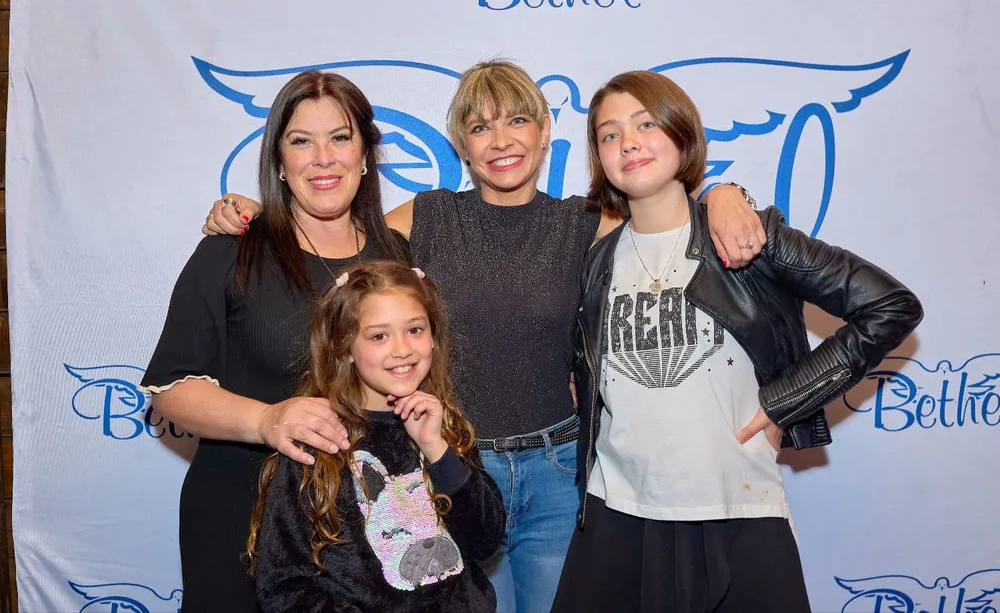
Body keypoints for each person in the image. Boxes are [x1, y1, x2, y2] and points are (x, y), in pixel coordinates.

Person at [204, 60, 764, 613]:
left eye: (517, 121)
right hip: (449, 471)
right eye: (479, 127)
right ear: (461, 146)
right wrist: (258, 215)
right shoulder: (426, 217)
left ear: (544, 134)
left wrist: (723, 194)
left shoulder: (582, 223)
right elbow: (334, 242)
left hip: (557, 473)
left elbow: (668, 224)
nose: (500, 141)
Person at [552, 70, 923, 613]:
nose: (627, 141)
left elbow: (891, 306)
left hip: (736, 512)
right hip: (616, 516)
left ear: (682, 135)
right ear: (599, 158)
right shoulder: (598, 260)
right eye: (609, 134)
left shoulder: (745, 235)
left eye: (646, 123)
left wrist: (785, 400)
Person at [140, 70, 410, 612]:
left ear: (365, 154)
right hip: (243, 511)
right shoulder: (230, 252)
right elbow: (171, 390)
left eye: (340, 137)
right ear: (280, 162)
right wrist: (266, 420)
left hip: (376, 513)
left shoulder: (397, 258)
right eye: (300, 141)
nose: (323, 158)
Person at [248, 260, 505, 613]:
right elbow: (284, 585)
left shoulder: (445, 427)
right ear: (344, 348)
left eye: (415, 329)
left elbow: (485, 540)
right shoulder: (317, 440)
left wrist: (437, 450)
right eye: (379, 336)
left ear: (434, 336)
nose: (402, 349)